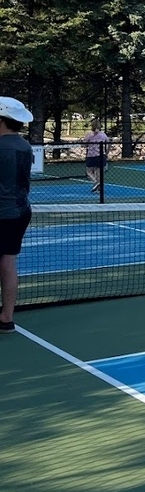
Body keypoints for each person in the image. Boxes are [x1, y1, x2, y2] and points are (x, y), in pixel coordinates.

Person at [0, 97, 34, 334]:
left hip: (3, 213)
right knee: (8, 261)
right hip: (20, 212)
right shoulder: (25, 146)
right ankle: (6, 317)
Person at [82, 119, 110, 192]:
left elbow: (84, 144)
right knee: (98, 172)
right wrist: (107, 152)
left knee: (88, 171)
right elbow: (109, 142)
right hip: (101, 155)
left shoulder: (89, 134)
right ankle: (99, 186)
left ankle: (96, 183)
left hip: (91, 156)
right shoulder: (103, 135)